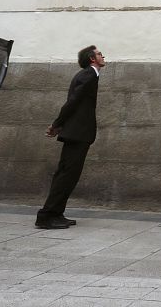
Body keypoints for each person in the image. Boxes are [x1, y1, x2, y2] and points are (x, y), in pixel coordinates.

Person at [35, 45, 105, 230]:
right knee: (67, 176)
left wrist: (60, 125)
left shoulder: (89, 75)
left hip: (76, 132)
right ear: (92, 58)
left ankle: (56, 213)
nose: (102, 56)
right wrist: (57, 125)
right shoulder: (88, 75)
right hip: (78, 134)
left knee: (67, 175)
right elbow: (72, 102)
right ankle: (47, 216)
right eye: (99, 54)